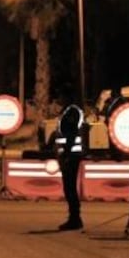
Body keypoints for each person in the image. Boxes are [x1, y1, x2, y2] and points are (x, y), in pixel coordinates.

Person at [54, 98, 88, 231]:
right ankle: (74, 218)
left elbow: (71, 136)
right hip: (70, 156)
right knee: (69, 188)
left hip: (71, 157)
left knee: (70, 188)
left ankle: (75, 219)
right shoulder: (71, 112)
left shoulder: (71, 112)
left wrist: (66, 154)